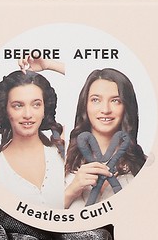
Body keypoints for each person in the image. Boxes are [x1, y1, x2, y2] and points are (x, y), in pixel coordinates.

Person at [64, 68, 150, 207]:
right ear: (85, 105)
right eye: (96, 100)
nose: (105, 109)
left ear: (126, 107)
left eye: (115, 101)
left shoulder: (143, 166)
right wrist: (71, 191)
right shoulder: (61, 161)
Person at [0, 68, 66, 208]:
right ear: (5, 110)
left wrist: (49, 64)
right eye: (18, 106)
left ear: (45, 109)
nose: (27, 114)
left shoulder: (63, 153)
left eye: (36, 104)